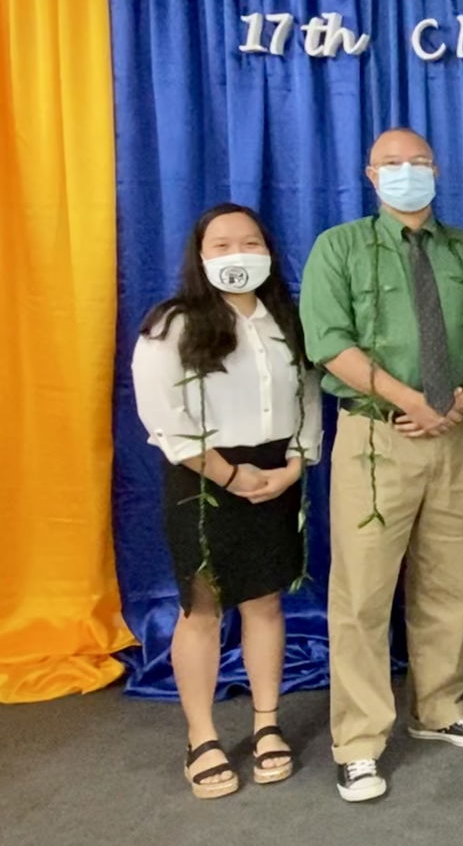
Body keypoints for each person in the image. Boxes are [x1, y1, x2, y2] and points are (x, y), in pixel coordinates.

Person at [299, 127, 463, 803]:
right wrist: (413, 398)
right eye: (393, 164)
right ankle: (358, 742)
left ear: (438, 169)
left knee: (448, 581)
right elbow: (328, 340)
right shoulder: (340, 248)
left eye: (419, 161)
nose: (407, 172)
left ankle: (440, 707)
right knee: (360, 595)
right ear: (370, 175)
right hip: (375, 436)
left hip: (456, 435)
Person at [133, 203, 322, 799]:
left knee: (265, 600)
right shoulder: (172, 325)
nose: (237, 253)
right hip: (204, 477)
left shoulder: (285, 320)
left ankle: (267, 724)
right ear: (200, 256)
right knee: (204, 605)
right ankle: (202, 734)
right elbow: (166, 418)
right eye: (221, 244)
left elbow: (310, 397)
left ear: (268, 251)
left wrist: (296, 464)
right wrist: (228, 475)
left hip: (276, 472)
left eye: (250, 241)